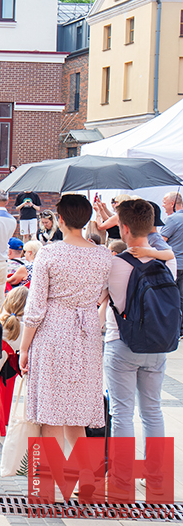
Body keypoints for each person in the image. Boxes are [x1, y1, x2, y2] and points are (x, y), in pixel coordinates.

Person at [20, 194, 112, 494]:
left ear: (60, 219)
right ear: (86, 219)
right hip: (86, 336)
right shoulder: (102, 256)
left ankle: (46, 485)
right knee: (78, 414)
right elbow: (102, 295)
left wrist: (23, 348)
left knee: (50, 415)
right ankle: (87, 480)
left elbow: (35, 309)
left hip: (53, 334)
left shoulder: (50, 253)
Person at [101, 199, 172, 497]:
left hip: (122, 343)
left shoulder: (113, 264)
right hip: (158, 345)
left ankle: (122, 480)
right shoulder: (167, 260)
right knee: (153, 410)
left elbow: (101, 303)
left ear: (124, 228)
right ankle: (156, 479)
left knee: (122, 411)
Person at [161, 191, 183, 333]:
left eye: (164, 202)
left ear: (172, 203)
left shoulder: (173, 219)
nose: (163, 205)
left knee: (172, 297)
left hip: (175, 265)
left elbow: (161, 242)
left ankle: (175, 327)